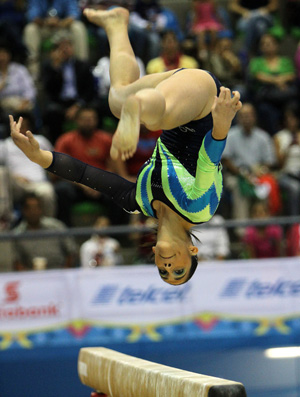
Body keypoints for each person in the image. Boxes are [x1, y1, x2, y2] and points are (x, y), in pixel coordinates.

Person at [9, 6, 242, 285]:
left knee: (117, 98)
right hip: (203, 103)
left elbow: (87, 175)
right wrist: (223, 124)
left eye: (163, 272)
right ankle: (137, 109)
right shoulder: (198, 209)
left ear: (154, 253)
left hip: (170, 97)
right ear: (193, 252)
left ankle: (116, 24)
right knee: (154, 114)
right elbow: (209, 159)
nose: (168, 267)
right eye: (178, 271)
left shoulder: (139, 201)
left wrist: (40, 157)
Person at [222, 103, 276, 222]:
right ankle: (243, 231)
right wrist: (243, 174)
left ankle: (266, 227)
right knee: (240, 189)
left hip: (258, 173)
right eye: (243, 116)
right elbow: (225, 159)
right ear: (238, 118)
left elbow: (269, 161)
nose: (246, 119)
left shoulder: (263, 136)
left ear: (254, 117)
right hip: (236, 175)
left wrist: (259, 172)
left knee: (266, 187)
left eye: (249, 115)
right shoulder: (231, 135)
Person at [42, 32, 96, 143]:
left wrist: (78, 105)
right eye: (61, 47)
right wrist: (56, 68)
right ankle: (56, 145)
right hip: (60, 103)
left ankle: (93, 143)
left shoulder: (83, 65)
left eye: (67, 46)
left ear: (72, 47)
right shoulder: (49, 66)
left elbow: (90, 89)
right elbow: (48, 90)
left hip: (79, 101)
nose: (65, 50)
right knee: (52, 113)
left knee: (97, 108)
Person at [0, 111, 56, 219]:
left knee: (47, 192)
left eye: (25, 125)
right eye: (18, 126)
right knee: (1, 173)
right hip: (16, 185)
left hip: (38, 184)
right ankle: (4, 217)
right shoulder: (5, 145)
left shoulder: (40, 140)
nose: (21, 129)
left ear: (30, 126)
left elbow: (54, 162)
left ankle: (48, 225)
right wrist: (14, 177)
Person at [23, 0, 89, 80]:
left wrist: (61, 22)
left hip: (63, 26)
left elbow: (75, 14)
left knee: (78, 27)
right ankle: (33, 73)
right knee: (30, 29)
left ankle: (82, 68)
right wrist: (45, 22)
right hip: (44, 27)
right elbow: (31, 15)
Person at [12, 193, 77, 271]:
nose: (34, 212)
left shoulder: (56, 226)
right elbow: (17, 262)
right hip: (32, 276)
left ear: (41, 209)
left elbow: (72, 252)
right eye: (30, 208)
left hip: (60, 273)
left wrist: (65, 272)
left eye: (36, 208)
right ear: (24, 210)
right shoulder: (17, 234)